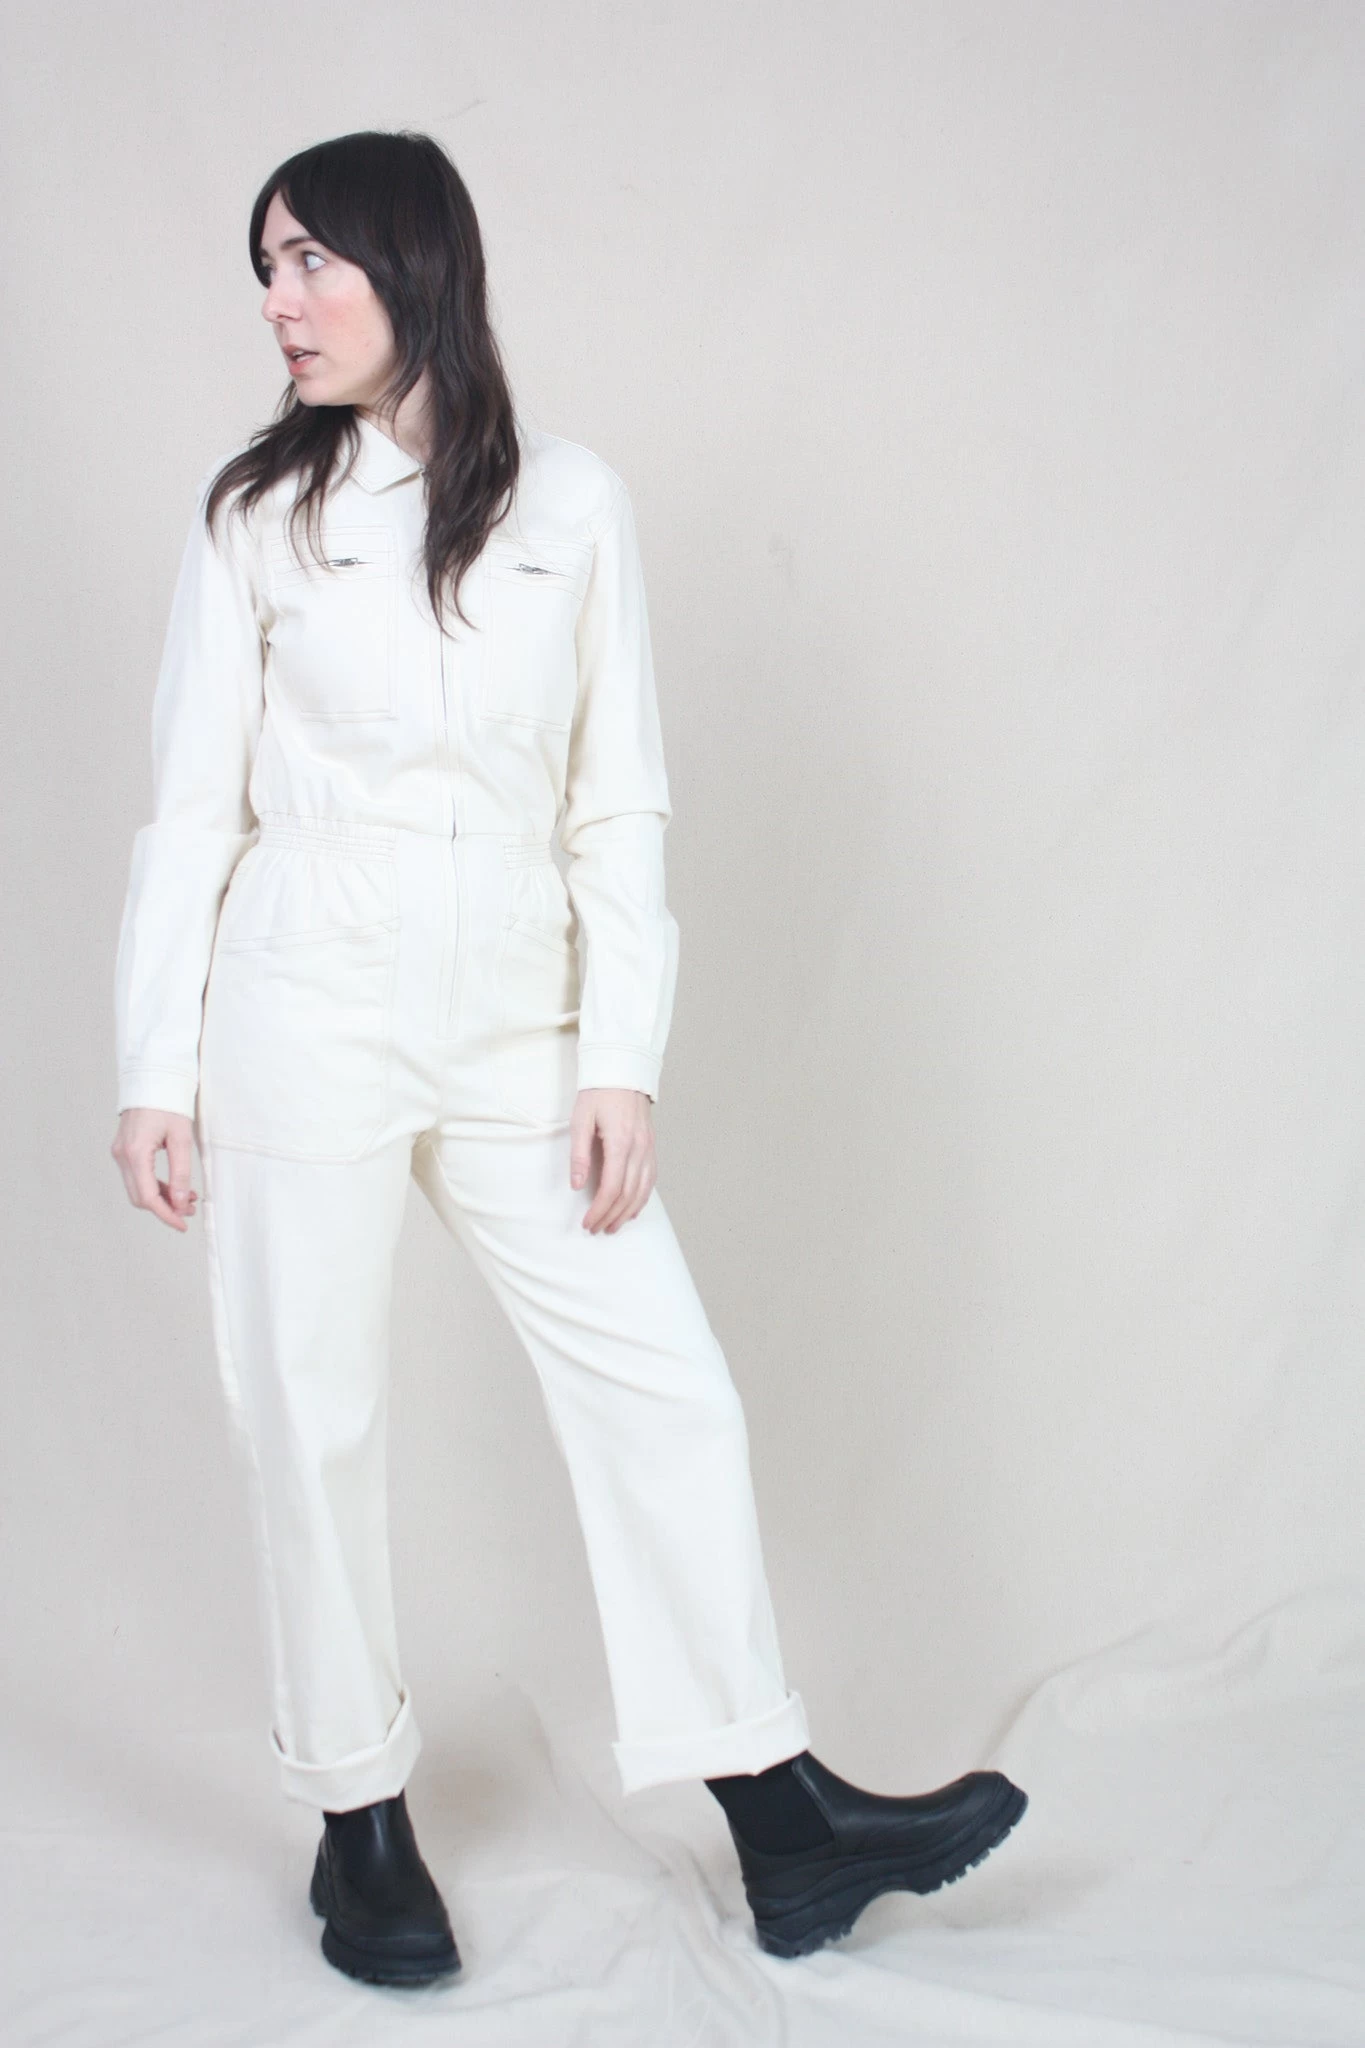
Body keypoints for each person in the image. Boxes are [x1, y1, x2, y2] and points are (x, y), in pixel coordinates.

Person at [110, 128, 1027, 1988]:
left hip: (517, 1015)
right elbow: (192, 808)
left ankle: (781, 1818)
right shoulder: (255, 516)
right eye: (265, 265)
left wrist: (620, 1057)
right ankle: (359, 1825)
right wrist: (156, 1067)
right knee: (311, 1407)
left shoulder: (570, 505)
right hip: (306, 1005)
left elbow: (619, 799)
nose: (279, 299)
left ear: (414, 262)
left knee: (664, 1387)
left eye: (311, 259)